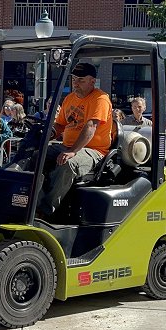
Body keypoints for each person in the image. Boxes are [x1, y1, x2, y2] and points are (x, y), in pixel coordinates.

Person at [37, 62, 112, 217]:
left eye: (81, 80)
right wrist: (46, 136)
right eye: (74, 79)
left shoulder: (100, 99)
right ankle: (30, 200)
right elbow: (60, 125)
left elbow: (91, 126)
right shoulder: (70, 98)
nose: (76, 83)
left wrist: (72, 151)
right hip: (68, 146)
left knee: (68, 163)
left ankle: (45, 210)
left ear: (92, 81)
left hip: (94, 151)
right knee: (36, 155)